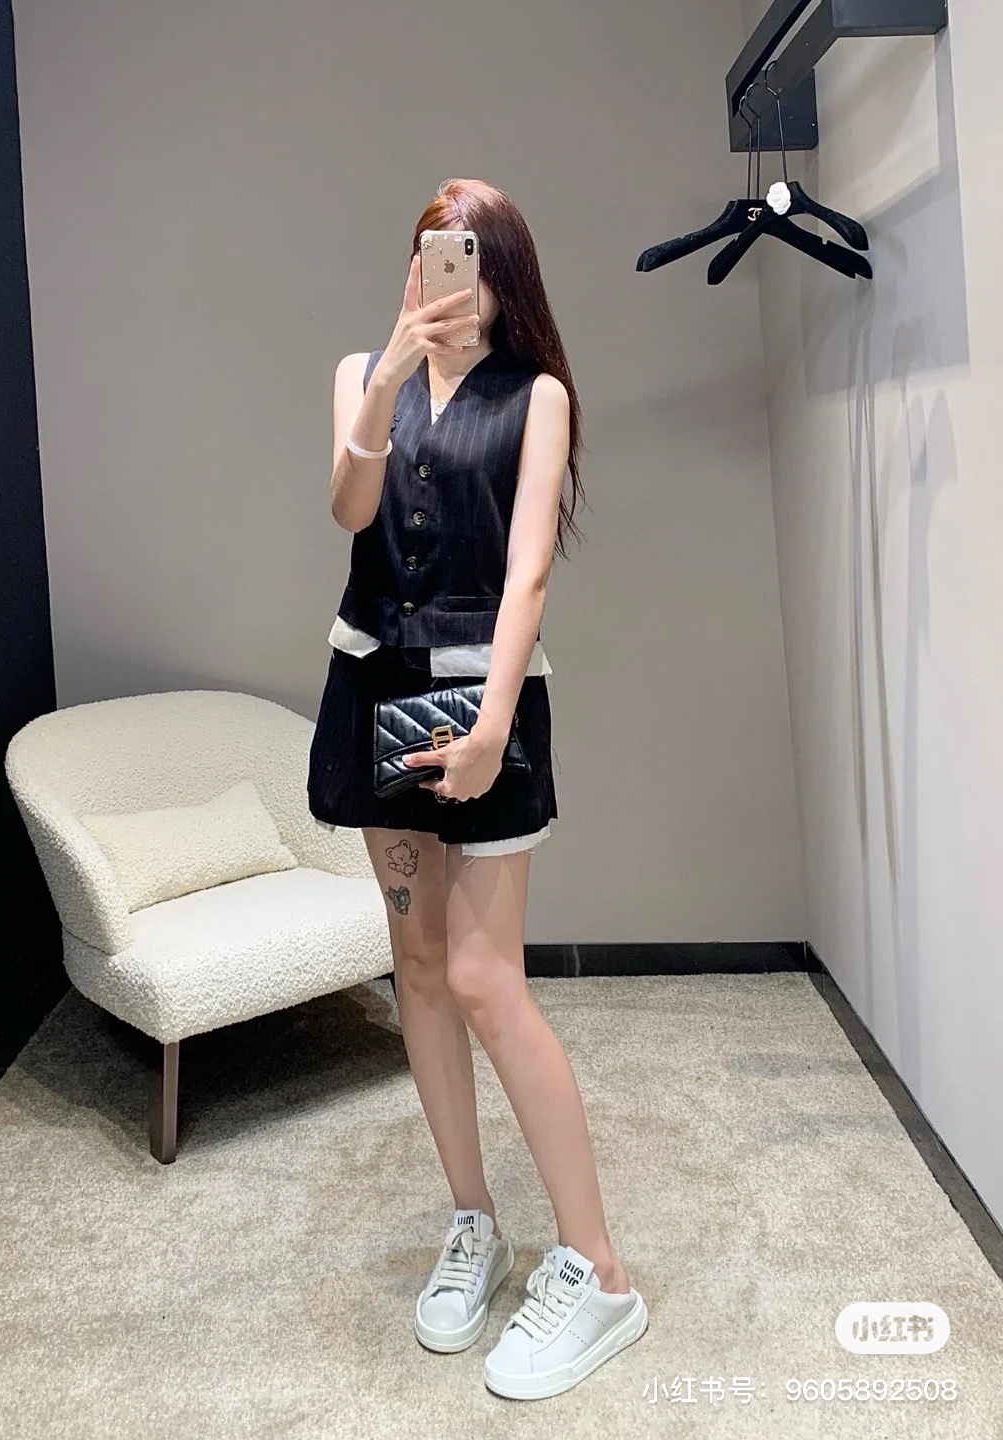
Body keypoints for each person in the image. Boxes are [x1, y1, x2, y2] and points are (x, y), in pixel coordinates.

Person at [306, 177, 648, 1400]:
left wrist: (497, 724)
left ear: (502, 274)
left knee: (484, 979)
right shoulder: (364, 373)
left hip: (481, 698)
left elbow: (528, 573)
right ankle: (473, 1223)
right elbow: (349, 509)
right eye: (428, 252)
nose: (444, 273)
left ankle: (600, 1273)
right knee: (416, 970)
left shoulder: (536, 394)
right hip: (376, 688)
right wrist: (391, 375)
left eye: (467, 254)